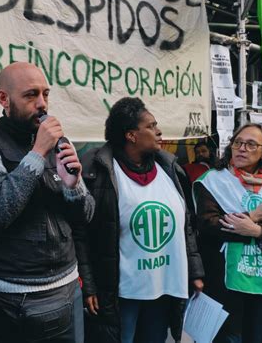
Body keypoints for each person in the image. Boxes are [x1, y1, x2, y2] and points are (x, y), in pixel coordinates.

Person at [0, 62, 95, 343]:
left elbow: (85, 217)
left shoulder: (59, 143)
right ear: (3, 99)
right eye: (30, 95)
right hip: (13, 298)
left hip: (67, 287)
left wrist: (74, 187)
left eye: (45, 94)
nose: (42, 104)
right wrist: (37, 153)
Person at [77, 97, 204, 343]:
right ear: (131, 135)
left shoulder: (171, 169)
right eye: (151, 126)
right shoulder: (98, 172)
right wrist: (89, 286)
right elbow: (82, 234)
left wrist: (194, 270)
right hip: (122, 293)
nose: (159, 132)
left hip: (164, 287)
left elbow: (186, 226)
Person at [193, 124, 262, 343]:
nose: (242, 148)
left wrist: (258, 231)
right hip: (225, 281)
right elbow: (208, 224)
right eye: (238, 142)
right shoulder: (213, 181)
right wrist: (254, 215)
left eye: (251, 144)